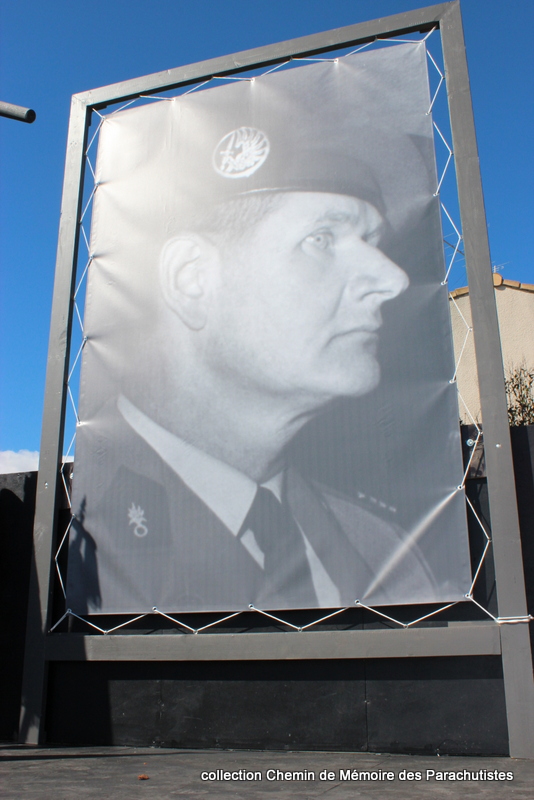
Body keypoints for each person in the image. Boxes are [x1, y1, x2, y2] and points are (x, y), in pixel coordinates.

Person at [67, 61, 447, 615]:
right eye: (322, 237)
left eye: (375, 241)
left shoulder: (383, 546)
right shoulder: (80, 536)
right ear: (192, 280)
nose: (391, 278)